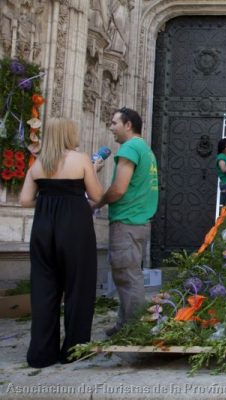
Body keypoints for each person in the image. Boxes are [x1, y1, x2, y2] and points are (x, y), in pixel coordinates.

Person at [19, 117, 103, 367]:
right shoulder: (81, 159)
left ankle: (41, 354)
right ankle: (74, 349)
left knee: (44, 288)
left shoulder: (38, 163)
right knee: (78, 286)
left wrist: (48, 202)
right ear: (69, 134)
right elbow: (97, 196)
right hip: (75, 226)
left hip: (43, 226)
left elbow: (24, 200)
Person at [93, 107, 159, 337]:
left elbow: (119, 188)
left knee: (127, 276)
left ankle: (134, 330)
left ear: (128, 125)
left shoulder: (130, 148)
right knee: (129, 275)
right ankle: (124, 324)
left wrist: (97, 203)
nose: (111, 127)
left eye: (114, 123)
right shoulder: (146, 150)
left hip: (126, 220)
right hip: (140, 220)